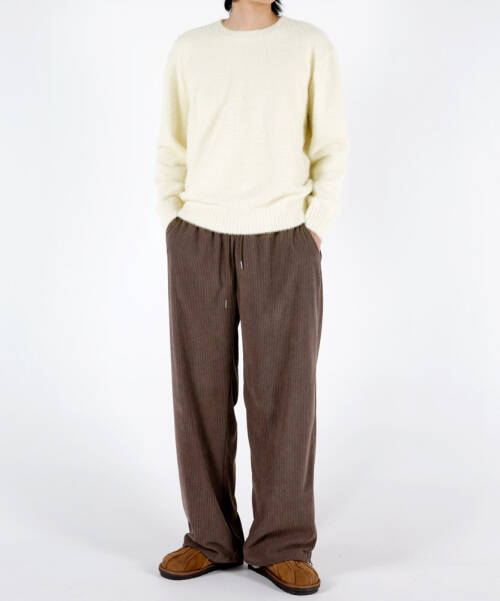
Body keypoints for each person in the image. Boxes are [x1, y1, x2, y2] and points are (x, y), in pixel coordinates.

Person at [155, 0, 349, 594]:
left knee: (285, 395)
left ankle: (282, 544)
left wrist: (315, 225)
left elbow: (331, 145)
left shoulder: (309, 44)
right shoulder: (190, 48)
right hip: (199, 237)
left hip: (284, 239)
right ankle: (210, 538)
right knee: (200, 391)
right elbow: (171, 145)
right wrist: (173, 221)